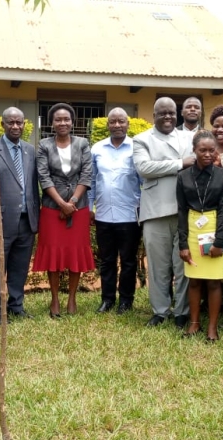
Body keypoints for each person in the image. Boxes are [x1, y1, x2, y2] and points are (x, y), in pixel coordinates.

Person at [134, 97, 194, 328]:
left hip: (186, 210)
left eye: (171, 112)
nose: (168, 116)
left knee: (183, 264)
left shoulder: (188, 137)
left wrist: (180, 163)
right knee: (158, 266)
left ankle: (182, 311)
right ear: (154, 116)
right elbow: (144, 168)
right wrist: (180, 163)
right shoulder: (142, 139)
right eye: (162, 113)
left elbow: (198, 161)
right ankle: (160, 311)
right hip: (156, 211)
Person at [0, 107, 40, 325]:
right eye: (11, 122)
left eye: (19, 122)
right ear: (2, 125)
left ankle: (16, 306)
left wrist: (36, 217)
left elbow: (32, 186)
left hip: (26, 220)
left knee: (19, 267)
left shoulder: (30, 150)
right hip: (0, 222)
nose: (15, 126)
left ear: (24, 125)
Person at [33, 103, 95, 317]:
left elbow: (86, 174)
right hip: (52, 208)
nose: (62, 123)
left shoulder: (83, 143)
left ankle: (72, 299)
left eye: (66, 119)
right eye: (58, 119)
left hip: (79, 208)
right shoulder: (44, 145)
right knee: (54, 253)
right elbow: (43, 177)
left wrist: (72, 202)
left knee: (75, 252)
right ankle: (54, 299)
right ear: (51, 123)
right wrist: (61, 204)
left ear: (72, 122)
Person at [177, 130, 223, 341]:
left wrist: (219, 241)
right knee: (194, 281)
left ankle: (212, 328)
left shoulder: (222, 176)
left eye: (211, 150)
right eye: (202, 150)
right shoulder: (183, 176)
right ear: (194, 150)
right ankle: (194, 324)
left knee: (214, 282)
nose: (207, 154)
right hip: (192, 227)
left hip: (214, 226)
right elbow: (181, 210)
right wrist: (183, 244)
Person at [89, 108, 141, 314]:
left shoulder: (137, 148)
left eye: (121, 121)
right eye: (113, 121)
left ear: (128, 124)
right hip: (103, 215)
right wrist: (90, 207)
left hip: (130, 215)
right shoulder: (97, 149)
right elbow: (92, 181)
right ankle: (107, 299)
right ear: (108, 125)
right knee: (107, 260)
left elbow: (144, 182)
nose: (117, 125)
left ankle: (126, 301)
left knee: (128, 261)